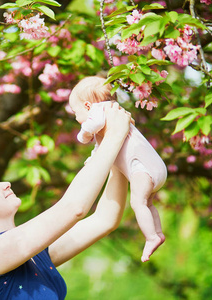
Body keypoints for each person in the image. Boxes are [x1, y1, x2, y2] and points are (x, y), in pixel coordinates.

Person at [0, 102, 132, 299]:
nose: (5, 184)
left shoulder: (36, 255)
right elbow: (74, 207)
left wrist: (117, 149)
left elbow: (105, 220)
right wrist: (113, 136)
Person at [69, 75, 167, 262]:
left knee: (138, 203)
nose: (76, 117)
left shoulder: (101, 111)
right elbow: (103, 147)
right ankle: (158, 232)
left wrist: (84, 134)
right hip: (154, 168)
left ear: (88, 106)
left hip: (141, 168)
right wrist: (93, 159)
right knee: (148, 203)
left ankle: (151, 237)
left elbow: (93, 124)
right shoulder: (115, 115)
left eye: (76, 112)